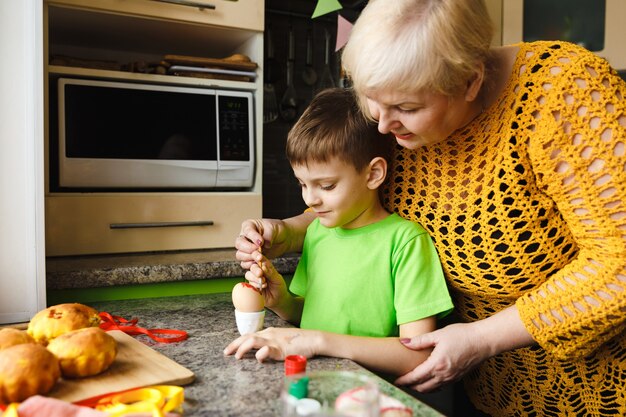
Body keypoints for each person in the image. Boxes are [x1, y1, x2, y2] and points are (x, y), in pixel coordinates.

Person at [234, 0, 626, 416]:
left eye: (406, 108)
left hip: (593, 392)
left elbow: (619, 263)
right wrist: (290, 230)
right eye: (371, 99)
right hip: (484, 392)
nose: (383, 125)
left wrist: (482, 338)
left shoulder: (564, 95)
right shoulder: (399, 113)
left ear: (471, 82)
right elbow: (363, 195)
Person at [224, 88, 453, 376]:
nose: (309, 199)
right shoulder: (319, 232)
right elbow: (315, 318)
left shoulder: (405, 242)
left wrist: (320, 342)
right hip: (317, 381)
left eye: (327, 186)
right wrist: (282, 302)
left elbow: (417, 357)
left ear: (373, 174)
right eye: (302, 184)